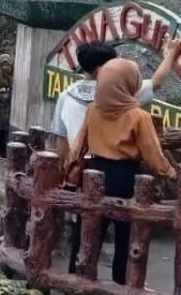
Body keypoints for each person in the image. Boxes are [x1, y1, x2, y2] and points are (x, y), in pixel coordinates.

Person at [65, 58, 177, 284]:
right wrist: (171, 174)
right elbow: (153, 157)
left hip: (94, 173)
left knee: (88, 228)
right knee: (125, 235)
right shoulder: (138, 116)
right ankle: (121, 282)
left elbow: (78, 147)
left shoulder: (93, 110)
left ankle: (76, 277)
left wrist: (69, 168)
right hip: (125, 177)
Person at [50, 40, 178, 157]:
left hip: (77, 167)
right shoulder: (119, 91)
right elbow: (156, 82)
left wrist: (63, 171)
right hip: (111, 165)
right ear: (101, 70)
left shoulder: (65, 96)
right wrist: (172, 53)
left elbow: (62, 139)